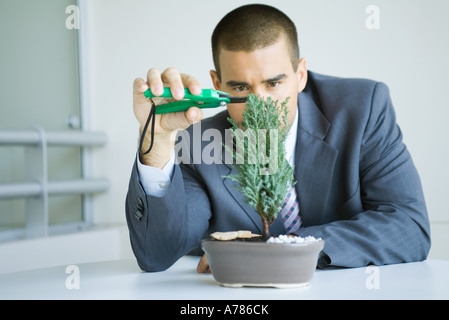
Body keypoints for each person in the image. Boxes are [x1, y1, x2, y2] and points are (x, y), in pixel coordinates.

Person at [126, 4, 431, 272]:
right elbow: (156, 255)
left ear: (301, 75)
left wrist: (289, 247)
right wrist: (158, 143)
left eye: (273, 83)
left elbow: (409, 226)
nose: (259, 104)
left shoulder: (362, 109)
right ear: (217, 84)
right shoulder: (198, 142)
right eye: (241, 89)